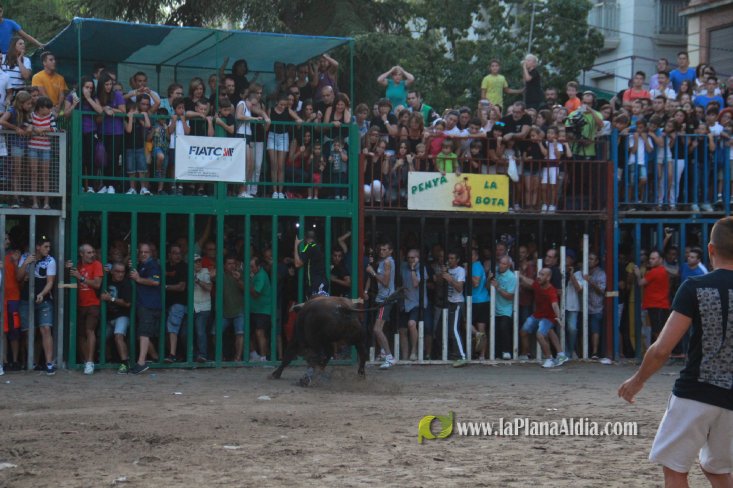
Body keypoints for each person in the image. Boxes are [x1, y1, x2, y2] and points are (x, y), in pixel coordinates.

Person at [618, 217, 733, 488]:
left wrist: (638, 380)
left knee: (675, 470)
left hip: (696, 391)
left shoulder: (695, 287)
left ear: (711, 249)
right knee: (717, 469)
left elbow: (662, 349)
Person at [16, 235, 57, 375]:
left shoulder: (51, 260)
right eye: (46, 246)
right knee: (28, 331)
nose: (48, 249)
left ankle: (49, 363)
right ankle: (31, 361)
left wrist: (42, 294)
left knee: (46, 328)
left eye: (49, 246)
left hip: (43, 299)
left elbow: (50, 282)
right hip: (26, 299)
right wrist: (26, 263)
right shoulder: (25, 257)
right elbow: (18, 277)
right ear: (38, 247)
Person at [517, 268, 568, 368]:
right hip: (537, 315)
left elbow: (555, 305)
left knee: (540, 335)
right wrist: (520, 276)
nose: (539, 276)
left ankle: (549, 359)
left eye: (542, 275)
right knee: (524, 331)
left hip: (548, 318)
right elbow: (530, 281)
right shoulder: (537, 284)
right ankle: (561, 355)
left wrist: (558, 317)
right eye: (539, 274)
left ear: (548, 278)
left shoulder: (551, 290)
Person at [66, 244, 103, 375]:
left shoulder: (97, 264)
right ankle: (86, 361)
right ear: (81, 254)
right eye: (89, 253)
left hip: (93, 304)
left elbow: (97, 284)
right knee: (81, 334)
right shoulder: (77, 265)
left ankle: (90, 362)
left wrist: (80, 277)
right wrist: (67, 268)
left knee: (89, 331)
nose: (92, 255)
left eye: (93, 252)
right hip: (79, 304)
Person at [129, 242, 162, 375]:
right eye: (141, 252)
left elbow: (155, 281)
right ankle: (154, 357)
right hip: (143, 304)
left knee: (144, 334)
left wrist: (138, 279)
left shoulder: (153, 265)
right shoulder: (141, 265)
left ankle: (141, 363)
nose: (143, 254)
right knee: (142, 333)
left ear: (151, 253)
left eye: (146, 252)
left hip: (149, 305)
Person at [366, 242, 396, 369]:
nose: (382, 251)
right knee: (378, 329)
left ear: (390, 251)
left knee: (377, 329)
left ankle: (390, 357)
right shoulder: (383, 262)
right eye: (381, 249)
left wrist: (372, 272)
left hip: (385, 299)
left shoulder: (388, 262)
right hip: (382, 298)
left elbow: (385, 282)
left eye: (385, 249)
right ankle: (384, 353)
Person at [100, 262, 132, 374]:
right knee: (101, 337)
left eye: (122, 272)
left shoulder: (126, 284)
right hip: (108, 316)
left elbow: (127, 303)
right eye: (117, 272)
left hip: (122, 315)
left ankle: (125, 363)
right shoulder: (106, 280)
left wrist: (111, 299)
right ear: (112, 272)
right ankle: (109, 360)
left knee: (118, 336)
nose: (120, 274)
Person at [633, 250, 670, 344]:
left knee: (657, 331)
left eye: (653, 259)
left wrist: (638, 274)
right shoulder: (663, 270)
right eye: (650, 258)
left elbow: (640, 283)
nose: (650, 260)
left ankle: (661, 349)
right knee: (659, 330)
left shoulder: (654, 272)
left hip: (655, 305)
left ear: (660, 260)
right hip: (661, 305)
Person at [400, 248, 430, 361]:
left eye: (413, 258)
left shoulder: (422, 268)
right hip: (404, 302)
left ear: (418, 258)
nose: (410, 260)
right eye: (408, 257)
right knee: (402, 330)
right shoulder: (403, 266)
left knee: (412, 324)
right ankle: (404, 357)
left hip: (417, 303)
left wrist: (413, 269)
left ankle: (414, 351)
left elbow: (415, 283)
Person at [442, 250, 467, 367]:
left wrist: (450, 279)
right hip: (448, 302)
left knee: (454, 329)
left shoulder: (460, 270)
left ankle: (462, 356)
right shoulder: (446, 270)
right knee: (445, 330)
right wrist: (442, 274)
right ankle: (453, 354)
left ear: (457, 260)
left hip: (457, 302)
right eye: (449, 258)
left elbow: (460, 288)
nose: (450, 260)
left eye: (452, 258)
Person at [164, 244, 187, 363]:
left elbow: (181, 287)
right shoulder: (165, 266)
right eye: (174, 253)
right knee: (167, 329)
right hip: (166, 303)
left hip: (179, 302)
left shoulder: (183, 267)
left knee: (172, 326)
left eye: (179, 253)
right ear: (169, 255)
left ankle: (172, 354)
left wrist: (164, 287)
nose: (178, 256)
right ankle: (175, 354)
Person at [491, 255, 517, 360]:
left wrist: (498, 287)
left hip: (506, 309)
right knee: (495, 330)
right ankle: (497, 353)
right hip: (494, 307)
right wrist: (489, 279)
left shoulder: (511, 277)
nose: (501, 265)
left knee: (504, 328)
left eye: (504, 264)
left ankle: (506, 351)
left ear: (509, 265)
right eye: (500, 263)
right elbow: (488, 287)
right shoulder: (495, 272)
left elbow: (510, 296)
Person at [222, 255, 245, 362]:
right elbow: (211, 277)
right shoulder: (221, 275)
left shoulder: (240, 274)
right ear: (224, 265)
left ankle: (237, 358)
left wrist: (238, 279)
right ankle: (220, 357)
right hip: (224, 311)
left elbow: (246, 289)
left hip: (238, 309)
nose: (232, 266)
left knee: (240, 333)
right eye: (229, 264)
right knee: (215, 333)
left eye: (233, 263)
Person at [249, 256, 272, 361]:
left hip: (262, 310)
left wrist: (246, 283)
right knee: (249, 332)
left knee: (260, 332)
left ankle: (263, 358)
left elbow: (256, 293)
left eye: (252, 267)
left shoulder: (261, 275)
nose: (250, 269)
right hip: (253, 309)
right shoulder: (254, 274)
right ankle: (254, 355)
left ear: (258, 266)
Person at [294, 230, 328, 298]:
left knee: (315, 304)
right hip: (322, 282)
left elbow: (297, 264)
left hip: (315, 284)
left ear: (305, 238)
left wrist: (296, 244)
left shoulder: (309, 246)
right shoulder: (318, 247)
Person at [470, 247, 490, 360]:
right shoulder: (477, 265)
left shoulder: (475, 266)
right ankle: (481, 355)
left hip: (477, 301)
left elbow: (476, 283)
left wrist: (467, 271)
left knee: (465, 323)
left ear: (476, 256)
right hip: (481, 299)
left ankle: (481, 353)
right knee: (481, 329)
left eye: (472, 255)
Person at [192, 254, 212, 362]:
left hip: (203, 307)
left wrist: (197, 281)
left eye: (199, 261)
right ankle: (193, 356)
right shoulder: (188, 272)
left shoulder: (205, 272)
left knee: (200, 331)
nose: (198, 263)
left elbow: (209, 287)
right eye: (195, 262)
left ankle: (203, 355)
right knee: (185, 333)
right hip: (191, 307)